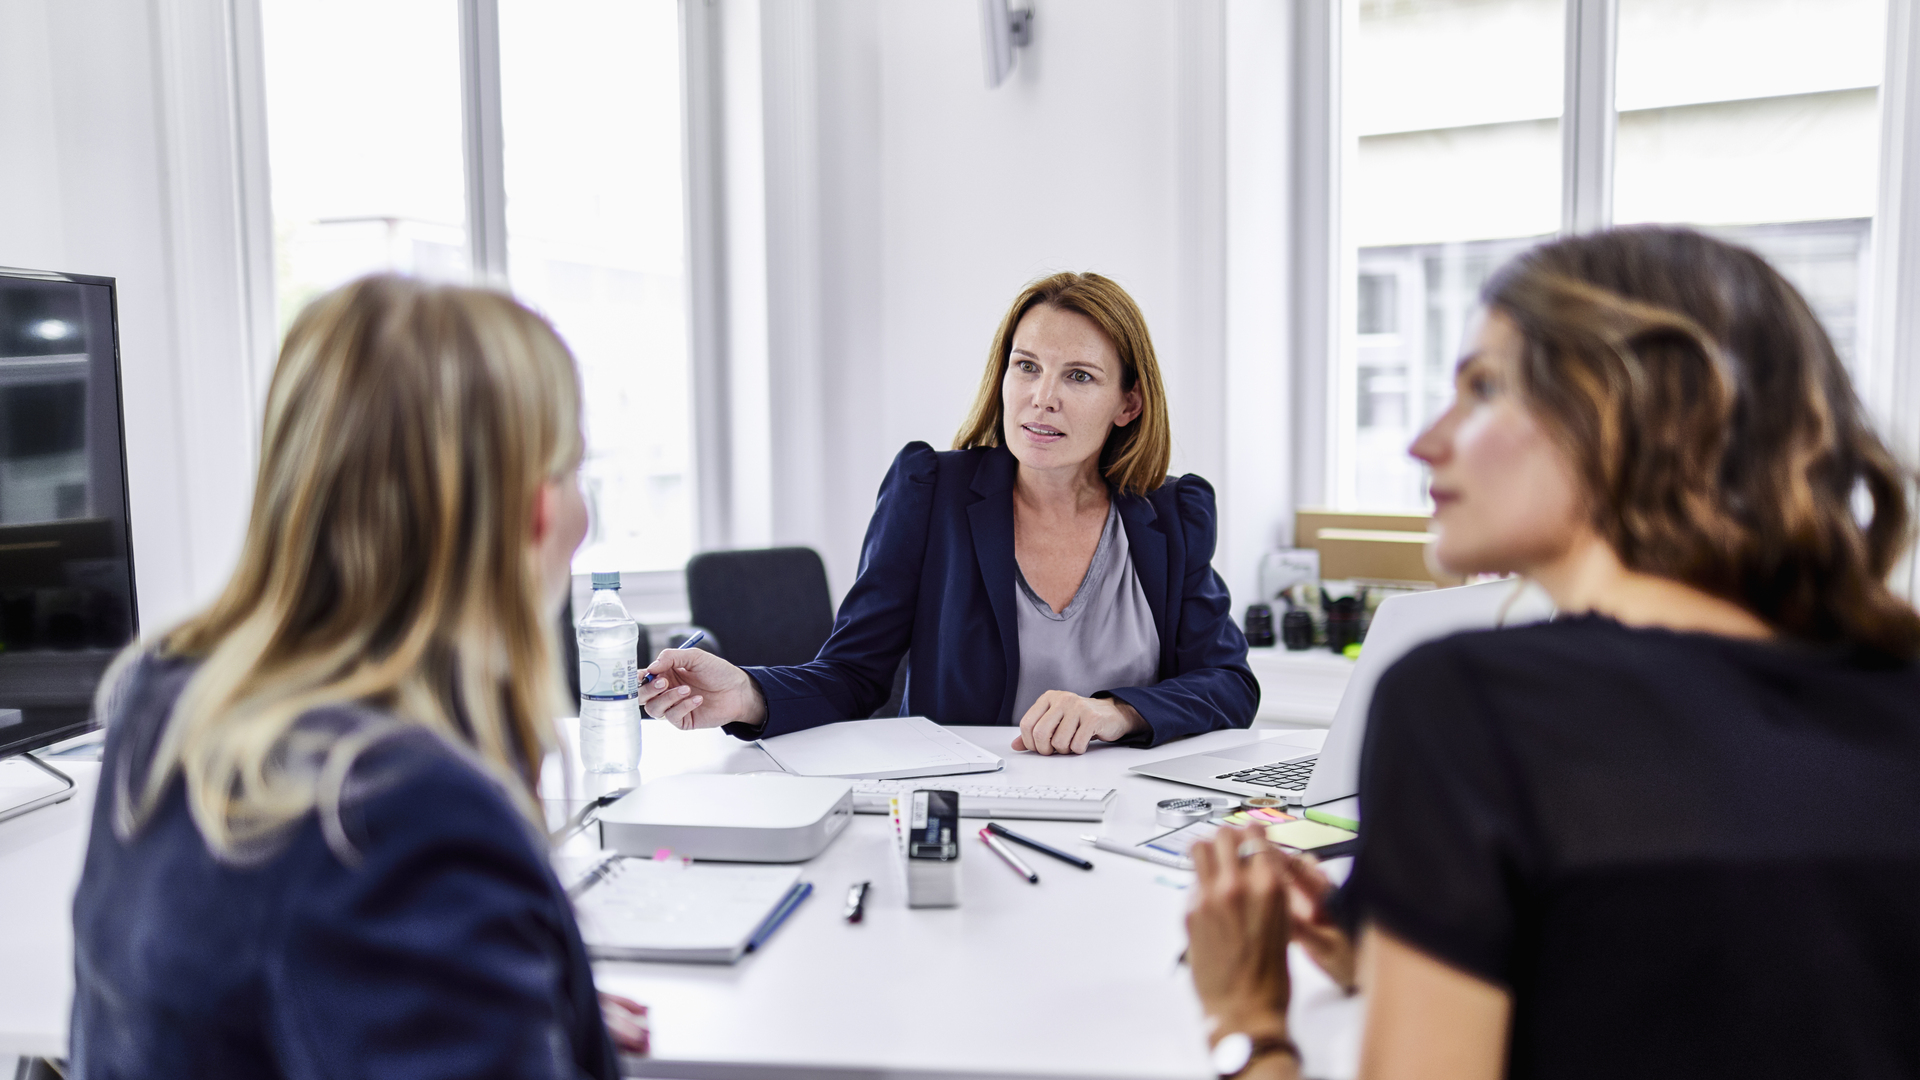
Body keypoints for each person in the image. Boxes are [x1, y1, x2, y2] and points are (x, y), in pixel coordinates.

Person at [1184, 227, 1920, 1079]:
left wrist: (1245, 1021)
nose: (1425, 440)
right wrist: (1423, 936)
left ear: (1626, 418)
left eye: (1484, 388)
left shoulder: (1469, 706)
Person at [69, 276, 648, 1077]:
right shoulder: (403, 809)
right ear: (532, 511)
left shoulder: (165, 698)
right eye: (571, 470)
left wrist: (507, 1004)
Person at [639, 271, 1257, 753]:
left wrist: (1115, 712)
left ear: (1128, 404)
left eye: (1079, 377)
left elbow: (1228, 684)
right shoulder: (930, 490)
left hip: (1124, 819)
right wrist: (746, 693)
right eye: (1027, 367)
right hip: (960, 815)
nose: (1042, 399)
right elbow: (854, 674)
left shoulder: (1171, 516)